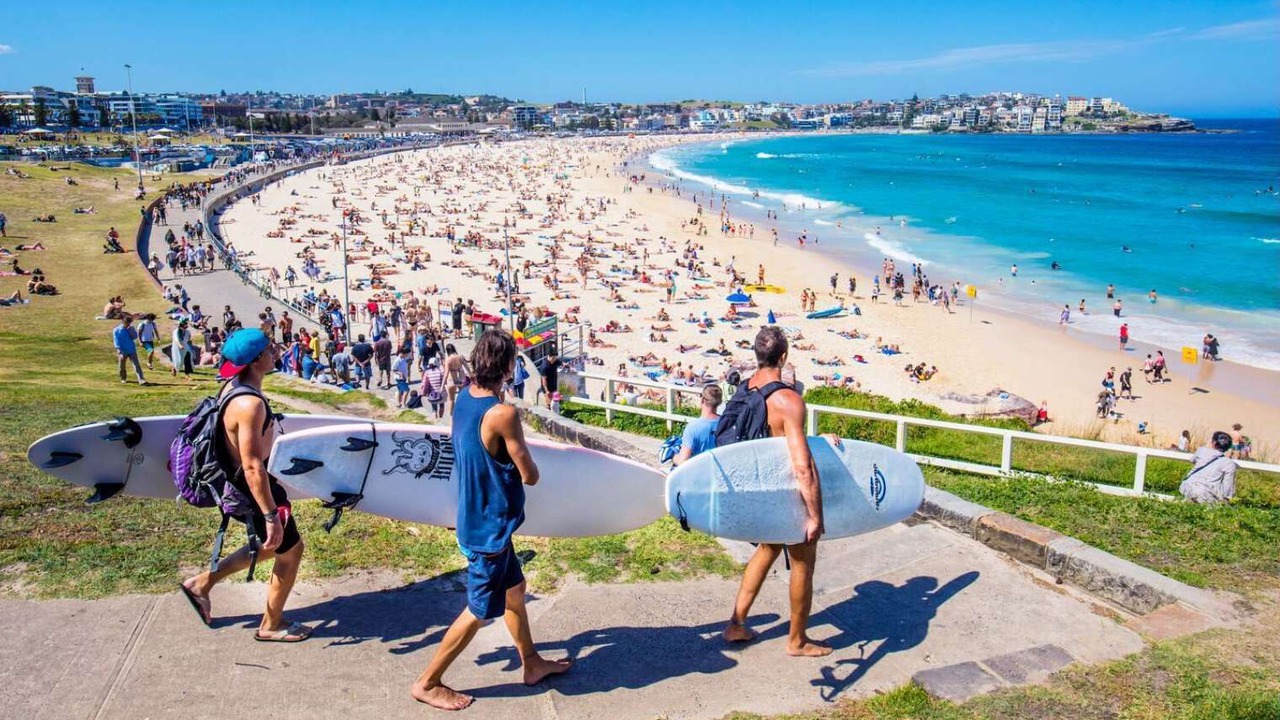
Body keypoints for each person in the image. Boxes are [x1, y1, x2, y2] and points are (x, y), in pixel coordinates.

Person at [411, 330, 570, 710]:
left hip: (475, 515)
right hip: (489, 529)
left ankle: (530, 662)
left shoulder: (464, 398)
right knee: (479, 611)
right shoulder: (503, 413)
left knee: (515, 590)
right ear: (508, 366)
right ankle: (428, 682)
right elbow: (529, 474)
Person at [179, 329, 314, 642]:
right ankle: (271, 624)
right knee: (290, 552)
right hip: (255, 490)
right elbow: (252, 464)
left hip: (252, 486)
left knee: (270, 547)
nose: (275, 351)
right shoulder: (249, 405)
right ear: (256, 361)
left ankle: (201, 585)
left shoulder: (234, 386)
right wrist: (270, 515)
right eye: (269, 349)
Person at [723, 326, 839, 657]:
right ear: (784, 357)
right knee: (803, 561)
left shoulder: (744, 390)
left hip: (755, 490)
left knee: (767, 548)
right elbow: (802, 466)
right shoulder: (788, 400)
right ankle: (797, 640)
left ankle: (736, 624)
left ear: (756, 355)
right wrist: (815, 514)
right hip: (784, 494)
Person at [1179, 431, 1238, 504]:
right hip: (1207, 492)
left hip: (1187, 486)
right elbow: (1228, 485)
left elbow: (1193, 460)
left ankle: (1191, 500)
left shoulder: (1201, 450)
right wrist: (1226, 498)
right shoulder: (1229, 463)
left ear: (1213, 442)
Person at [672, 385, 723, 466]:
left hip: (698, 473)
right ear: (719, 402)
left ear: (702, 399)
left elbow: (682, 462)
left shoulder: (693, 427)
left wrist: (673, 456)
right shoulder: (725, 423)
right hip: (718, 472)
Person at [113, 315, 147, 386]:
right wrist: (118, 349)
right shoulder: (117, 330)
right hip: (122, 350)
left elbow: (134, 337)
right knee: (122, 366)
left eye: (129, 323)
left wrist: (130, 330)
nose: (128, 324)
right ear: (123, 322)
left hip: (131, 349)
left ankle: (141, 379)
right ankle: (123, 378)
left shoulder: (131, 328)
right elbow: (116, 340)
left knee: (136, 365)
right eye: (126, 323)